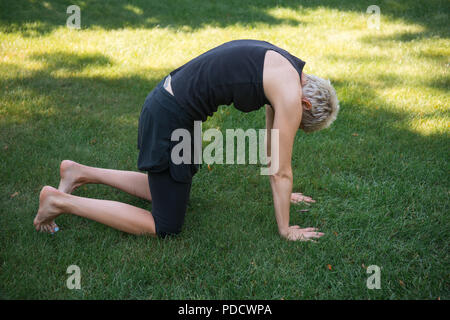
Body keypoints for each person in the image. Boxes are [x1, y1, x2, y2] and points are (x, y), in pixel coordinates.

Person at [34, 39, 339, 241]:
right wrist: (286, 230)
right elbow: (281, 171)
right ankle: (59, 201)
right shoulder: (288, 94)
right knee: (166, 226)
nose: (292, 126)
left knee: (171, 195)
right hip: (169, 115)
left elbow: (275, 153)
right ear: (306, 105)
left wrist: (284, 194)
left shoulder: (289, 71)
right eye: (299, 123)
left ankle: (78, 172)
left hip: (175, 107)